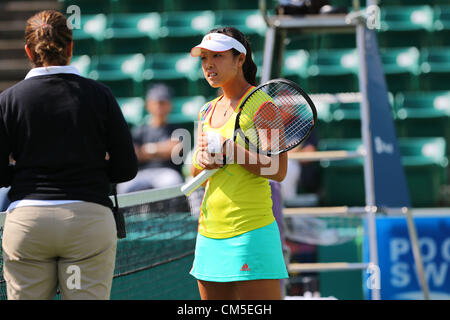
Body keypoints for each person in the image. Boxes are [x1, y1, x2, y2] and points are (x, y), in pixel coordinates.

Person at [0, 10, 138, 300]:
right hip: (88, 222)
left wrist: (26, 174)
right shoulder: (100, 95)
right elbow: (126, 168)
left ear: (28, 50)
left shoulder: (8, 100)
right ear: (71, 48)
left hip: (27, 225)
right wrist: (91, 173)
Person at [189, 27, 289, 300]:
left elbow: (277, 170)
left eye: (217, 56)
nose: (209, 65)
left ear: (240, 59)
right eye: (204, 58)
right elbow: (197, 171)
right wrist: (201, 161)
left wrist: (233, 151)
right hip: (209, 234)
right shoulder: (206, 110)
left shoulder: (263, 105)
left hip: (251, 232)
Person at [117, 83, 184, 194]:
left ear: (169, 105)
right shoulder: (139, 130)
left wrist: (146, 150)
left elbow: (174, 150)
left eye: (163, 103)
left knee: (172, 181)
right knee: (124, 186)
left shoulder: (177, 129)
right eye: (155, 103)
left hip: (167, 172)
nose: (159, 106)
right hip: (142, 173)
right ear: (148, 105)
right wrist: (160, 149)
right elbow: (133, 155)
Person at [281, 129, 319, 200]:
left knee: (289, 164)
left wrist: (287, 153)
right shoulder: (267, 125)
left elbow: (309, 154)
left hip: (300, 174)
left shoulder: (306, 126)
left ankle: (285, 202)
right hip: (272, 164)